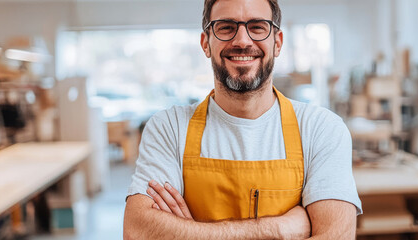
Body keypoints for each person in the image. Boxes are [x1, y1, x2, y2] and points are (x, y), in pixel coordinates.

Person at [123, 0, 362, 238]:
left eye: (257, 27)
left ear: (277, 43)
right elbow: (137, 231)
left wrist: (188, 231)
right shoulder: (169, 128)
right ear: (206, 43)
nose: (242, 41)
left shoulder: (321, 129)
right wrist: (277, 229)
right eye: (226, 27)